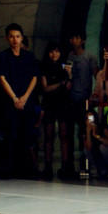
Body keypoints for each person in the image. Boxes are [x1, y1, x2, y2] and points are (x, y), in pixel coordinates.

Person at [0, 23, 40, 179]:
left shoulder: (29, 56)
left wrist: (24, 97)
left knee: (26, 136)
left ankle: (25, 169)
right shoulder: (2, 56)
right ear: (7, 38)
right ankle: (7, 169)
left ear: (22, 38)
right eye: (12, 36)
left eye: (18, 36)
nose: (15, 39)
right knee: (10, 135)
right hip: (9, 102)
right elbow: (1, 79)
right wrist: (14, 98)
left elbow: (34, 77)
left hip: (27, 101)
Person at [65, 30, 99, 179]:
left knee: (86, 131)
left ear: (83, 40)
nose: (74, 40)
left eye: (77, 37)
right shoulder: (69, 56)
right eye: (72, 37)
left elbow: (96, 76)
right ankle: (69, 165)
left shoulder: (90, 57)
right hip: (71, 99)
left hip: (85, 101)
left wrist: (94, 94)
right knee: (69, 133)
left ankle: (86, 165)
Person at [40, 41, 72, 180]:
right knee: (49, 134)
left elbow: (69, 86)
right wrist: (60, 84)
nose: (55, 54)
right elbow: (45, 88)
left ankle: (65, 165)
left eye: (57, 51)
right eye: (52, 51)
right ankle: (48, 165)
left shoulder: (65, 66)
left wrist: (69, 76)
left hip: (63, 102)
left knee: (64, 134)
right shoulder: (44, 67)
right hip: (49, 103)